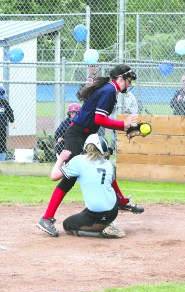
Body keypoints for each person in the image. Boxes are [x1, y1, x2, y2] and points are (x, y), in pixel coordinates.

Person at [36, 64, 144, 237]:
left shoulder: (110, 90)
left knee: (105, 167)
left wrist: (124, 128)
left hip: (85, 135)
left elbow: (98, 119)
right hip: (77, 135)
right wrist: (124, 125)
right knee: (69, 178)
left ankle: (121, 201)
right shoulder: (109, 91)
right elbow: (99, 119)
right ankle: (46, 218)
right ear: (121, 78)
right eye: (129, 81)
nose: (129, 85)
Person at [51, 134, 125, 238]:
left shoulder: (79, 160)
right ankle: (106, 224)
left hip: (97, 215)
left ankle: (101, 233)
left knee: (67, 225)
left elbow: (54, 176)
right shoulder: (108, 164)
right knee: (85, 211)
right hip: (113, 212)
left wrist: (61, 159)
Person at [0, 87, 15, 161]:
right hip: (2, 126)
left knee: (2, 143)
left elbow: (10, 112)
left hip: (2, 126)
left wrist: (12, 122)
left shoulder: (4, 102)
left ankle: (1, 161)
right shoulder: (4, 101)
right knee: (2, 143)